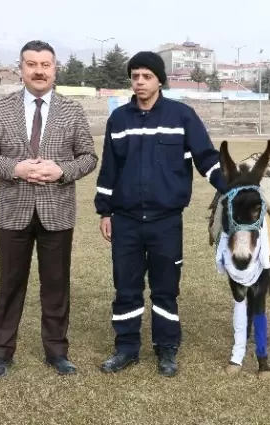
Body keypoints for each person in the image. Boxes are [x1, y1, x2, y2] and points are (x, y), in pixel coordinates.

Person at [94, 51, 226, 377]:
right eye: (135, 76)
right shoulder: (119, 120)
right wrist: (105, 211)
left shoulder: (182, 116)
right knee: (126, 287)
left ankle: (166, 348)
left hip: (166, 221)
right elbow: (110, 168)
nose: (140, 82)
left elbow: (206, 158)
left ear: (159, 80)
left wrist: (232, 186)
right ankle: (126, 348)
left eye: (146, 76)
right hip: (125, 220)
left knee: (166, 289)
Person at [0, 40, 99, 380]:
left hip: (57, 212)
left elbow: (88, 157)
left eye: (46, 64)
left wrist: (63, 171)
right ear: (21, 69)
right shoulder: (1, 109)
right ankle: (1, 353)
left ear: (55, 69)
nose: (39, 70)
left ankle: (57, 352)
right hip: (13, 211)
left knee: (56, 285)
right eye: (32, 64)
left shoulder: (72, 110)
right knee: (10, 284)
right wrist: (14, 168)